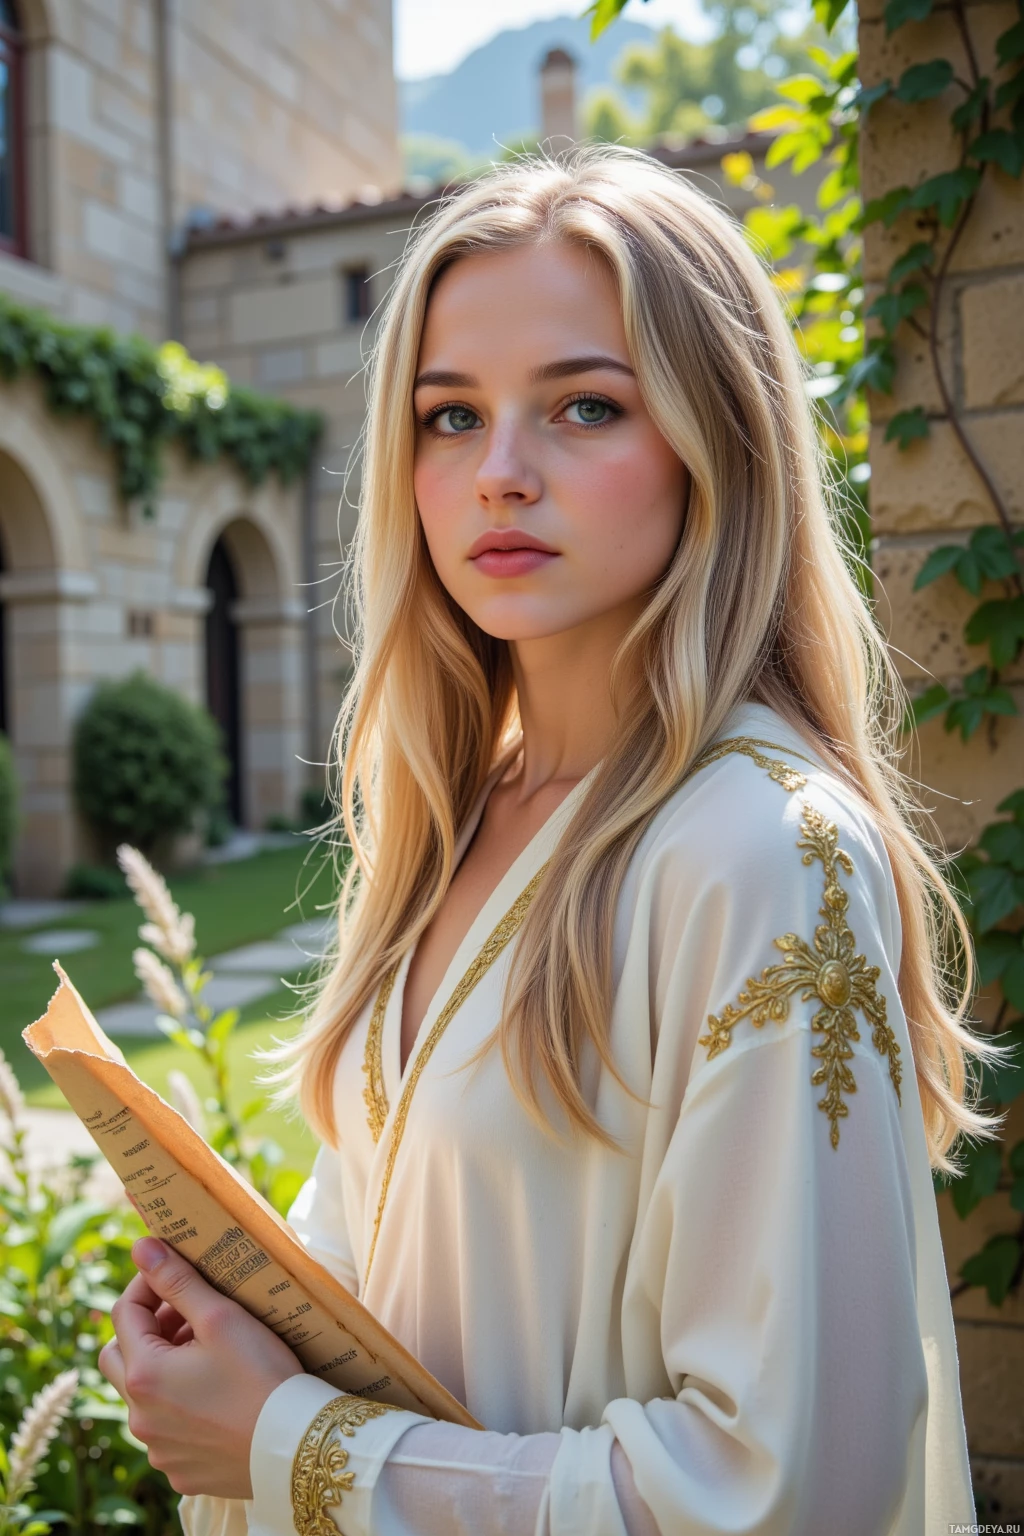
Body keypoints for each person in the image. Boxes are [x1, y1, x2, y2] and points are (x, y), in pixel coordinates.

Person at [98, 146, 1006, 1536]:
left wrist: (291, 1444)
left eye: (585, 406)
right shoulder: (453, 815)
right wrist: (233, 1325)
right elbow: (392, 1254)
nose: (499, 475)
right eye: (449, 417)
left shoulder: (766, 853)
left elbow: (787, 1486)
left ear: (720, 440)